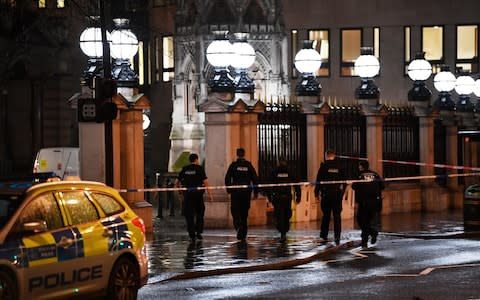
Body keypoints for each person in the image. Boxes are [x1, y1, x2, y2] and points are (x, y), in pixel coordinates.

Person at [225, 147, 259, 242]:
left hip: (236, 192)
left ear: (237, 154)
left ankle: (239, 226)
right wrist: (256, 192)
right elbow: (255, 179)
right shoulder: (248, 165)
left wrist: (229, 189)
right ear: (244, 154)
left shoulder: (233, 165)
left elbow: (227, 178)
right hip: (246, 193)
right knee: (244, 213)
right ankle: (243, 234)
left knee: (235, 211)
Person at [176, 153, 213, 242]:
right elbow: (206, 182)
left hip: (188, 195)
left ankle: (191, 233)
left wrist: (180, 192)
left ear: (189, 160)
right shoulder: (199, 168)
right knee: (200, 213)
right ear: (196, 160)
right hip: (198, 195)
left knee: (189, 215)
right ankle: (199, 232)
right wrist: (210, 194)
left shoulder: (185, 169)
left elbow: (177, 181)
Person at [314, 149, 346, 245]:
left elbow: (318, 181)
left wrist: (316, 194)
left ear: (326, 156)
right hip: (337, 194)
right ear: (334, 156)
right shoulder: (339, 166)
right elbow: (345, 182)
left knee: (326, 216)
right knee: (337, 216)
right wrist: (342, 193)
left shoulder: (323, 167)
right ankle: (337, 236)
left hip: (326, 194)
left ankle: (324, 236)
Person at [351, 160, 385, 249]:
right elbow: (382, 186)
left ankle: (371, 235)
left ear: (361, 167)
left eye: (359, 166)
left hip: (364, 202)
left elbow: (354, 186)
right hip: (374, 202)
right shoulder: (375, 174)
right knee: (368, 221)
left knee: (361, 221)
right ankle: (366, 239)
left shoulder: (359, 175)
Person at [267, 157, 301, 242]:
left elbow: (268, 186)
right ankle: (284, 231)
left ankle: (282, 232)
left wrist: (269, 197)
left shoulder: (274, 172)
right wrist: (298, 196)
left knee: (279, 215)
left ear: (278, 163)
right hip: (287, 197)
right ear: (286, 163)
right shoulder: (289, 172)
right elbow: (297, 184)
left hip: (277, 197)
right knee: (286, 214)